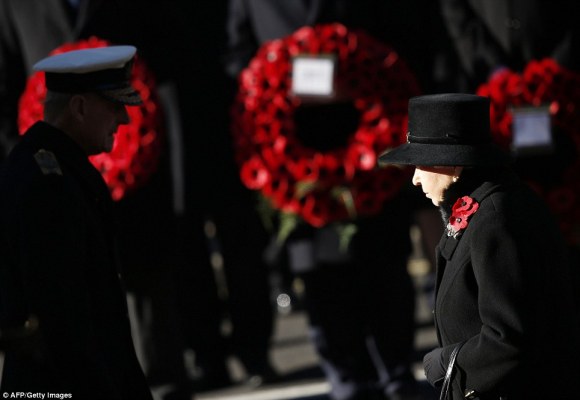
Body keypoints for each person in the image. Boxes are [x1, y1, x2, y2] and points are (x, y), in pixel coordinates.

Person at [379, 93, 580, 399]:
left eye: (422, 163)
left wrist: (445, 364)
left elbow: (510, 338)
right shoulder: (483, 206)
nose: (415, 179)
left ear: (455, 163)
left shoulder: (497, 219)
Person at [0, 46, 153, 399]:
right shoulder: (47, 183)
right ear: (79, 107)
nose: (125, 120)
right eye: (115, 106)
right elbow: (60, 316)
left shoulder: (55, 168)